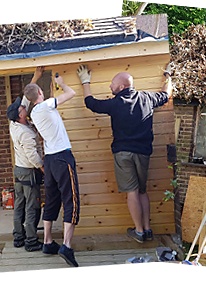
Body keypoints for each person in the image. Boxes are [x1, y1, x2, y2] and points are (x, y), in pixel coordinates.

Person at [77, 64, 173, 243]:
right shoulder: (146, 98)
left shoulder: (115, 103)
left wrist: (85, 81)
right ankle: (147, 229)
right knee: (143, 191)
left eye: (113, 84)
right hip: (144, 153)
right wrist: (168, 76)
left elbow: (91, 103)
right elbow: (166, 95)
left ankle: (138, 232)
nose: (110, 87)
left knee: (132, 192)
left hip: (123, 154)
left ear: (122, 87)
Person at [24, 66, 80, 269]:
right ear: (39, 94)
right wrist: (62, 83)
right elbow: (71, 93)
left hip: (50, 160)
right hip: (63, 158)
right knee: (71, 199)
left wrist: (49, 85)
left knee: (52, 200)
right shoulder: (47, 105)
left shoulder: (34, 112)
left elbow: (42, 98)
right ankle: (66, 245)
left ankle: (47, 242)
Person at [7, 68, 45, 252]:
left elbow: (23, 101)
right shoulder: (26, 134)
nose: (24, 106)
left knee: (19, 204)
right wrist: (44, 169)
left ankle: (18, 237)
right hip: (29, 172)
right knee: (33, 207)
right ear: (21, 115)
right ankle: (31, 241)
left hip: (18, 171)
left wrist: (36, 77)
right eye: (22, 108)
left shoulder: (14, 123)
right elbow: (33, 157)